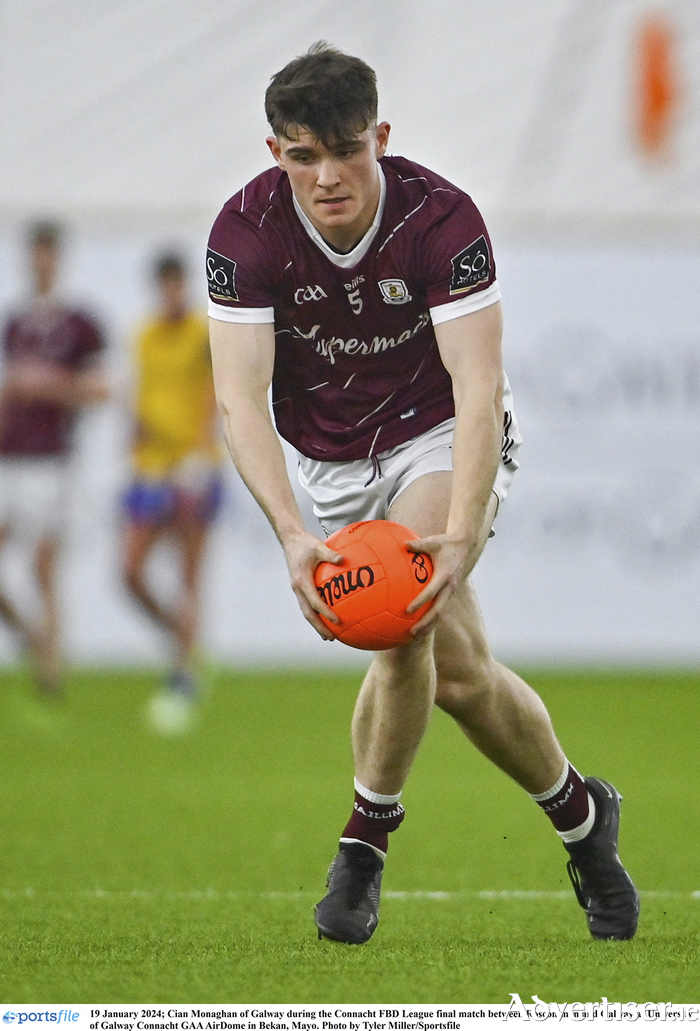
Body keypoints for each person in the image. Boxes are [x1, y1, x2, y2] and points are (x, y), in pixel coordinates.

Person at [206, 42, 639, 943]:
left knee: (399, 615)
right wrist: (291, 532)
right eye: (303, 155)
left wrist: (462, 532)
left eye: (346, 150)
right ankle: (584, 819)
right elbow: (239, 399)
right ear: (273, 151)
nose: (328, 177)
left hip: (437, 431)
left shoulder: (441, 218)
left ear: (381, 137)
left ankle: (363, 845)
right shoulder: (244, 234)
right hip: (327, 462)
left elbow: (477, 388)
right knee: (466, 677)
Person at [0, 219, 109, 696]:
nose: (40, 261)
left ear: (57, 258)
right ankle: (32, 636)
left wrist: (52, 385)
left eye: (47, 252)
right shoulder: (16, 323)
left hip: (52, 459)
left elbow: (102, 389)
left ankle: (51, 667)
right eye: (35, 252)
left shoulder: (78, 324)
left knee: (45, 565)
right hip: (11, 458)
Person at [122, 252, 223, 735]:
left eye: (177, 284)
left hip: (192, 466)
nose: (171, 293)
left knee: (189, 571)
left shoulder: (202, 335)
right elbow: (139, 399)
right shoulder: (143, 336)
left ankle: (184, 676)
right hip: (151, 468)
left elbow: (213, 396)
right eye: (164, 285)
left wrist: (198, 457)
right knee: (131, 570)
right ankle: (183, 643)